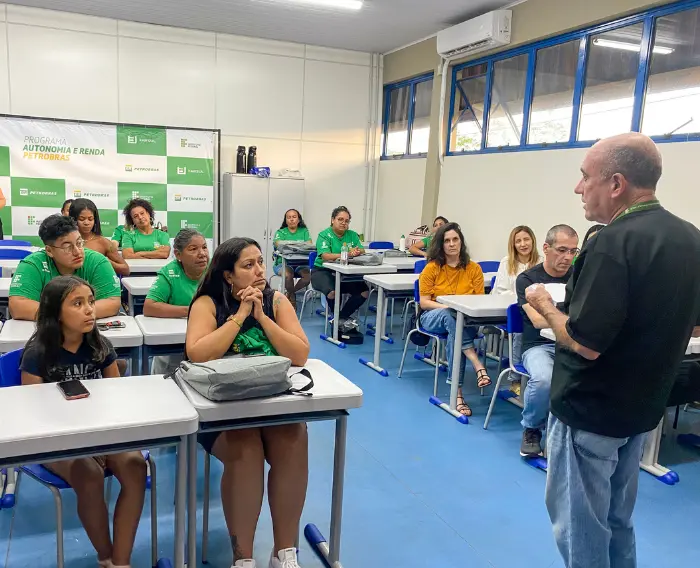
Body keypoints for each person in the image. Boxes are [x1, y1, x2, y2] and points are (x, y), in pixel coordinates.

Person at [525, 133, 700, 568]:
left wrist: (545, 304)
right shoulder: (690, 239)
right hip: (641, 408)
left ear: (616, 184)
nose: (578, 188)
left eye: (586, 177)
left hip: (592, 410)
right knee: (618, 519)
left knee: (581, 525)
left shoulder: (610, 242)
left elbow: (584, 343)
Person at [185, 237, 310, 568]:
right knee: (246, 450)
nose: (259, 271)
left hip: (271, 405)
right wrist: (240, 315)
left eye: (260, 263)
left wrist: (262, 317)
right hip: (222, 413)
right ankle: (243, 559)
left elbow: (299, 352)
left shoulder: (276, 300)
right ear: (228, 275)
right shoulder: (208, 304)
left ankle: (284, 553)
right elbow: (197, 353)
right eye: (248, 265)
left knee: (294, 439)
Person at [21, 275, 147, 568]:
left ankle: (121, 561)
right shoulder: (37, 353)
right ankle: (105, 557)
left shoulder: (100, 346)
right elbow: (31, 412)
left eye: (91, 301)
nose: (90, 309)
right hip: (58, 440)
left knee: (135, 465)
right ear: (56, 312)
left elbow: (116, 397)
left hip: (101, 433)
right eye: (78, 303)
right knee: (87, 473)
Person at [516, 224, 578, 457]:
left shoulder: (579, 277)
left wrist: (555, 315)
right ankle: (532, 429)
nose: (568, 257)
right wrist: (573, 317)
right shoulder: (528, 279)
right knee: (543, 380)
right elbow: (538, 321)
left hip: (573, 345)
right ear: (546, 248)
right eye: (562, 250)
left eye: (573, 251)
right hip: (539, 346)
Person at [418, 222, 490, 416]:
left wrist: (459, 312)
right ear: (441, 245)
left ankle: (456, 393)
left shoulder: (473, 269)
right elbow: (424, 303)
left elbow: (479, 302)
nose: (451, 244)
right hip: (432, 316)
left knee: (455, 333)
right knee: (452, 317)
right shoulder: (432, 268)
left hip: (464, 321)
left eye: (455, 239)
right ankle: (477, 363)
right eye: (447, 241)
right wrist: (450, 308)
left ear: (461, 242)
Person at [9, 215, 121, 320]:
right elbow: (17, 306)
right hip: (48, 333)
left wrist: (66, 314)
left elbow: (112, 303)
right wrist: (68, 315)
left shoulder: (97, 261)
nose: (77, 252)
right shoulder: (33, 264)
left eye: (79, 243)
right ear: (49, 250)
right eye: (67, 247)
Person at [144, 228, 209, 373]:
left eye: (204, 247)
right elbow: (149, 307)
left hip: (207, 340)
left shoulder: (214, 271)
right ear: (178, 255)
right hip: (174, 347)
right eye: (193, 249)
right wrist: (192, 310)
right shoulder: (170, 272)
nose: (202, 254)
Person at [311, 206, 368, 334]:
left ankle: (340, 317)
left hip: (344, 273)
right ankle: (338, 318)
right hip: (322, 271)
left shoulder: (352, 235)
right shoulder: (324, 235)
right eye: (340, 219)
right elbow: (325, 256)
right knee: (332, 292)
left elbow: (362, 249)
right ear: (332, 220)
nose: (344, 223)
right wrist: (347, 253)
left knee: (364, 291)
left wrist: (357, 251)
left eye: (347, 221)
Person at [69, 198, 130, 276]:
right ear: (73, 219)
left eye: (90, 219)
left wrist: (105, 261)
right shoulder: (64, 241)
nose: (86, 223)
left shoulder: (103, 242)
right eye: (82, 219)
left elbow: (125, 269)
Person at [273, 209, 312, 308]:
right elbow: (278, 244)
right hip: (283, 264)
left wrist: (288, 244)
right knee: (288, 275)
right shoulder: (281, 232)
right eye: (289, 217)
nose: (291, 219)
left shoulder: (304, 231)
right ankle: (293, 298)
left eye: (294, 217)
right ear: (285, 220)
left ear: (299, 219)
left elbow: (309, 244)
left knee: (308, 277)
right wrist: (299, 244)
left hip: (301, 264)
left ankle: (290, 293)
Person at [492, 225, 541, 295]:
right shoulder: (506, 262)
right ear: (513, 245)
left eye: (526, 239)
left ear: (533, 241)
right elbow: (501, 291)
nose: (523, 244)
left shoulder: (541, 262)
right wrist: (522, 299)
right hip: (510, 304)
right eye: (518, 241)